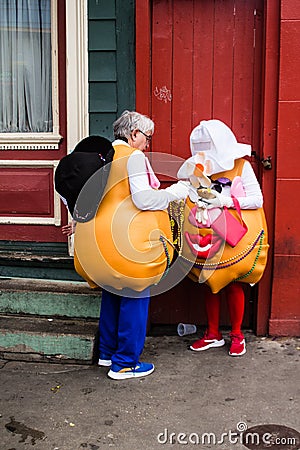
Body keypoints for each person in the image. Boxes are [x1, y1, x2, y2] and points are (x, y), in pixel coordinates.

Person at [74, 110, 189, 380]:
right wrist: (177, 192)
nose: (148, 145)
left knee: (112, 293)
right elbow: (143, 200)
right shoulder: (133, 157)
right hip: (126, 242)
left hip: (97, 241)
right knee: (136, 294)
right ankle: (125, 363)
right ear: (133, 133)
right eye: (147, 138)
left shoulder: (102, 156)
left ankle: (106, 353)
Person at [177, 119, 266, 356]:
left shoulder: (241, 167)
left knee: (234, 282)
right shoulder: (198, 169)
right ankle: (213, 334)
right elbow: (189, 193)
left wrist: (225, 201)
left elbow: (257, 200)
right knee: (209, 282)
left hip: (233, 234)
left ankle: (237, 335)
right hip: (206, 234)